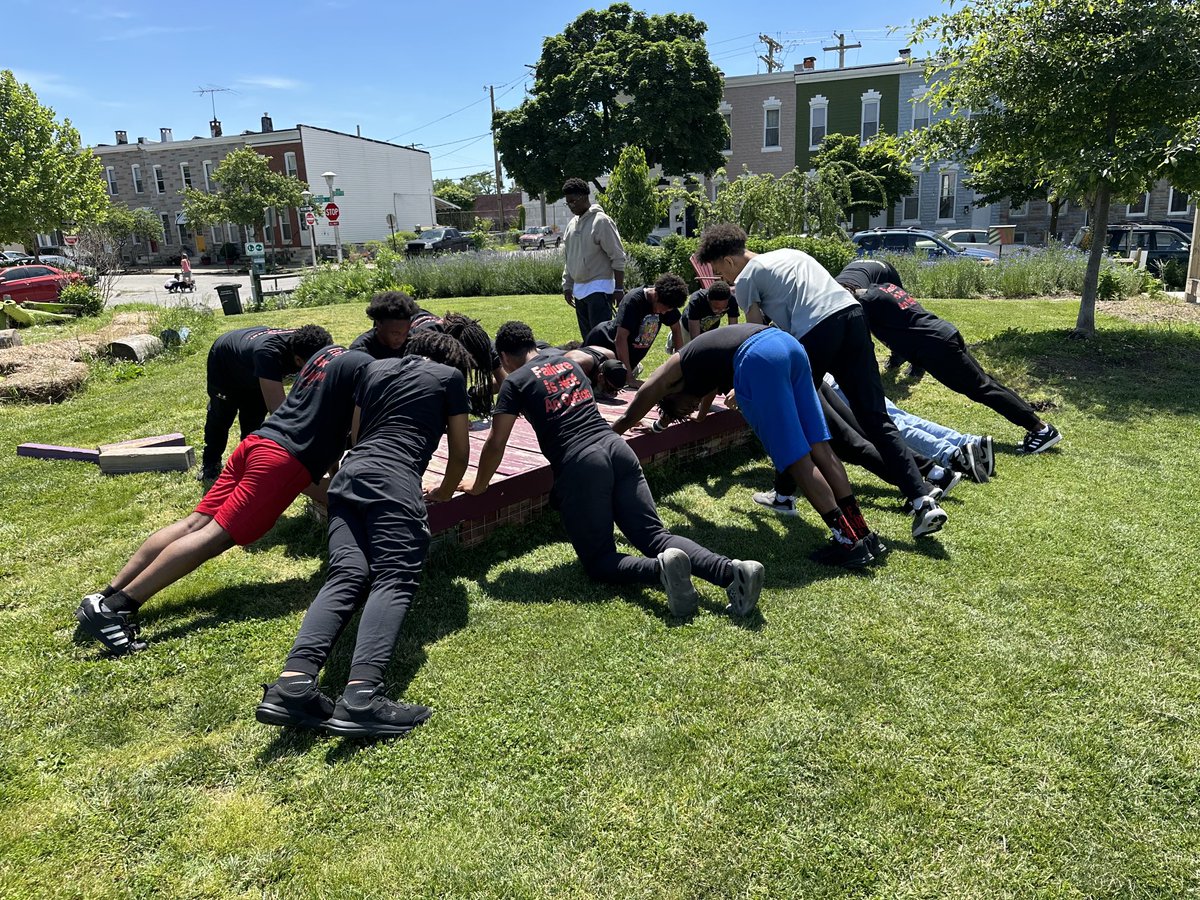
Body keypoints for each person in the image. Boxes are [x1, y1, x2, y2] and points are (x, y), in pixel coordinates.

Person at [75, 332, 374, 656]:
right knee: (215, 537)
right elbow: (358, 441)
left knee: (194, 524)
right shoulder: (364, 372)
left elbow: (323, 428)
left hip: (257, 443)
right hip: (281, 462)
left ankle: (104, 597)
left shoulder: (324, 361)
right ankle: (116, 608)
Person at [461, 321, 765, 616]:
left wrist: (477, 485)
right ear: (532, 343)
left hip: (582, 463)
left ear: (503, 358)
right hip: (617, 449)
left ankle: (660, 569)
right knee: (654, 536)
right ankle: (732, 571)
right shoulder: (565, 361)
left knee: (599, 560)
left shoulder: (515, 382)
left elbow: (496, 443)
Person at [256, 331, 472, 738]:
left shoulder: (372, 369)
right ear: (448, 358)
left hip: (349, 477)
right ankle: (361, 698)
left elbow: (355, 435)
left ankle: (293, 685)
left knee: (347, 574)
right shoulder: (448, 377)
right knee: (394, 577)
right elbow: (460, 450)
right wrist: (443, 492)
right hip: (395, 478)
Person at [695, 224, 946, 538]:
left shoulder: (746, 279)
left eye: (720, 272)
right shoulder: (790, 254)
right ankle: (922, 498)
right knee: (875, 416)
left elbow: (755, 335)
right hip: (853, 318)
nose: (724, 280)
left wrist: (741, 380)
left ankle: (785, 497)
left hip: (818, 331)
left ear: (729, 262)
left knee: (790, 414)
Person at [615, 323, 886, 567]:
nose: (691, 407)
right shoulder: (698, 369)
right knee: (819, 446)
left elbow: (637, 403)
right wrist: (683, 419)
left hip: (760, 357)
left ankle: (848, 543)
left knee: (796, 457)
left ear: (670, 393)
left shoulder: (672, 370)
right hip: (787, 344)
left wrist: (609, 434)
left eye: (685, 407)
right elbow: (700, 397)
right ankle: (863, 534)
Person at [835, 260, 1060, 456]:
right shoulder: (884, 288)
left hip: (935, 348)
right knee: (985, 383)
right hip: (944, 333)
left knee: (981, 388)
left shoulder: (865, 303)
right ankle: (1037, 426)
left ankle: (1039, 428)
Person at [199, 325, 328, 480]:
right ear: (298, 360)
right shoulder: (269, 354)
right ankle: (211, 462)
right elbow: (279, 411)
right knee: (222, 415)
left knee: (254, 416)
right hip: (225, 361)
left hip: (252, 362)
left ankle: (248, 461)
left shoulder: (316, 345)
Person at [582, 273, 688, 387]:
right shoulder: (633, 300)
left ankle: (633, 369)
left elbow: (676, 329)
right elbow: (620, 339)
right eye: (664, 308)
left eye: (668, 310)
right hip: (604, 344)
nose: (664, 313)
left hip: (627, 355)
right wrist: (629, 378)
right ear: (656, 295)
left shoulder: (667, 302)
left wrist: (678, 369)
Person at [561, 178, 627, 340]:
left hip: (599, 288)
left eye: (573, 201)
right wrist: (567, 285)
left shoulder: (601, 221)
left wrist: (618, 289)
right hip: (580, 291)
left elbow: (618, 256)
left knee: (602, 339)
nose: (570, 206)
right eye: (567, 203)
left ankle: (610, 365)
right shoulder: (571, 224)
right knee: (588, 339)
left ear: (584, 197)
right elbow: (569, 258)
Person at [667, 279, 740, 353]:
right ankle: (672, 338)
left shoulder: (732, 300)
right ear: (708, 299)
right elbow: (695, 339)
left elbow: (733, 329)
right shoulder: (697, 300)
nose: (720, 312)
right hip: (687, 327)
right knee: (685, 353)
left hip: (709, 328)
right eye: (716, 308)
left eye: (723, 309)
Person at [347, 290, 419, 360]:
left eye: (405, 333)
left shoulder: (413, 344)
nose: (401, 339)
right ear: (379, 324)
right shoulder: (360, 350)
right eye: (395, 333)